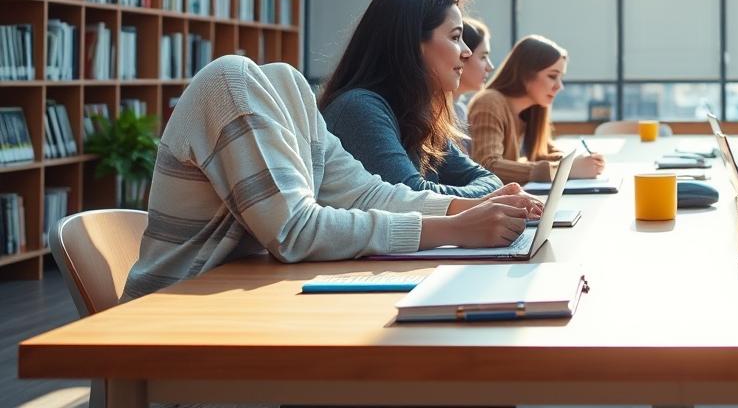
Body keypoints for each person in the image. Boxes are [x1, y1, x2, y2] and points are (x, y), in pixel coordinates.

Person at [123, 54, 542, 301]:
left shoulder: (293, 93)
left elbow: (363, 193)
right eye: (455, 37)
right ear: (408, 47)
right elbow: (294, 231)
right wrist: (451, 228)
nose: (469, 54)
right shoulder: (233, 87)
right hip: (183, 324)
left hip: (254, 302)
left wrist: (468, 209)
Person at [320, 0, 515, 200]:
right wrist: (490, 197)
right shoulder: (359, 109)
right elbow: (415, 198)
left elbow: (489, 180)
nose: (466, 51)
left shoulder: (414, 113)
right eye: (455, 37)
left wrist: (494, 194)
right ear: (412, 43)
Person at [468, 35, 605, 184]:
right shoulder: (489, 102)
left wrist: (582, 162)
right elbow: (488, 166)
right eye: (552, 76)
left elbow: (543, 152)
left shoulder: (532, 110)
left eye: (561, 78)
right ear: (525, 73)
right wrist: (565, 169)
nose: (560, 86)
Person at [454, 17, 495, 127]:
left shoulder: (460, 111)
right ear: (462, 55)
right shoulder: (428, 113)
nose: (490, 67)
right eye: (483, 57)